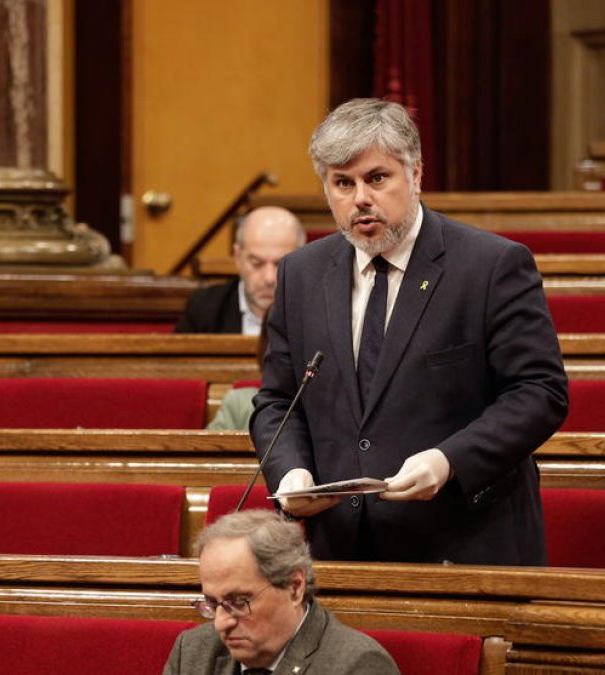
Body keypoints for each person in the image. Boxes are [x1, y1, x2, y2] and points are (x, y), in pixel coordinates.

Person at [251, 99, 568, 565]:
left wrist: (449, 460)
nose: (360, 197)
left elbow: (540, 392)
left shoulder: (490, 265)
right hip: (344, 551)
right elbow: (278, 400)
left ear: (416, 174)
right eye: (342, 183)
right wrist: (291, 472)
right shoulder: (302, 274)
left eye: (376, 178)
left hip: (465, 544)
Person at [163, 510, 398, 674]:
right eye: (213, 604)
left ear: (294, 587)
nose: (221, 623)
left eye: (238, 602)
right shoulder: (193, 651)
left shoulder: (358, 665)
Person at [175, 206, 304, 335]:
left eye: (281, 265)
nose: (269, 278)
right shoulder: (204, 309)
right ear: (237, 257)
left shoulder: (318, 308)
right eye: (256, 263)